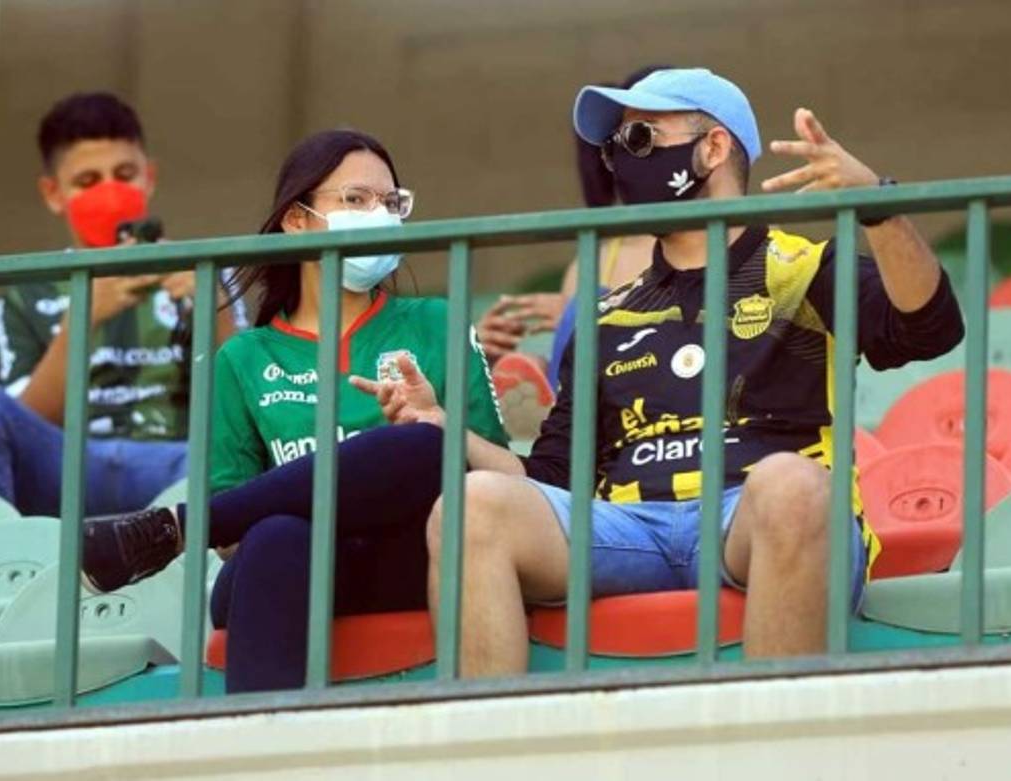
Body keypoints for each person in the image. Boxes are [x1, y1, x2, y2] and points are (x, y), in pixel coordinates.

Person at [365, 68, 965, 676]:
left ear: (714, 147)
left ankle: (774, 730)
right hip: (629, 530)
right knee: (469, 507)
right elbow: (553, 478)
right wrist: (443, 426)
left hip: (757, 517)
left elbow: (932, 327)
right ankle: (487, 735)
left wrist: (879, 208)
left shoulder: (806, 269)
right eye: (615, 148)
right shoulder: (609, 314)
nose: (622, 163)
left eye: (642, 139)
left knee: (792, 484)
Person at [79, 129, 509, 692]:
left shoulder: (438, 323)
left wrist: (433, 428)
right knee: (278, 535)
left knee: (425, 442)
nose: (378, 215)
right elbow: (232, 543)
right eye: (355, 199)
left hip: (410, 557)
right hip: (284, 565)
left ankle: (176, 529)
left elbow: (505, 479)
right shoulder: (243, 358)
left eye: (390, 202)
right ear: (297, 219)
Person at [0, 92, 238, 517]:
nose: (109, 192)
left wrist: (214, 308)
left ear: (149, 178)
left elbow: (245, 407)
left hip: (178, 465)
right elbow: (20, 425)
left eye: (124, 175)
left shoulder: (204, 272)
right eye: (88, 181)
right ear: (53, 193)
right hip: (64, 466)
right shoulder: (27, 294)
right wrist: (83, 318)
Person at [488, 67, 663, 440]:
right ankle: (550, 406)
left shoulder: (722, 237)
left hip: (663, 384)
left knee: (589, 305)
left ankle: (553, 413)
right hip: (601, 398)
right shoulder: (594, 257)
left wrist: (599, 309)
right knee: (574, 318)